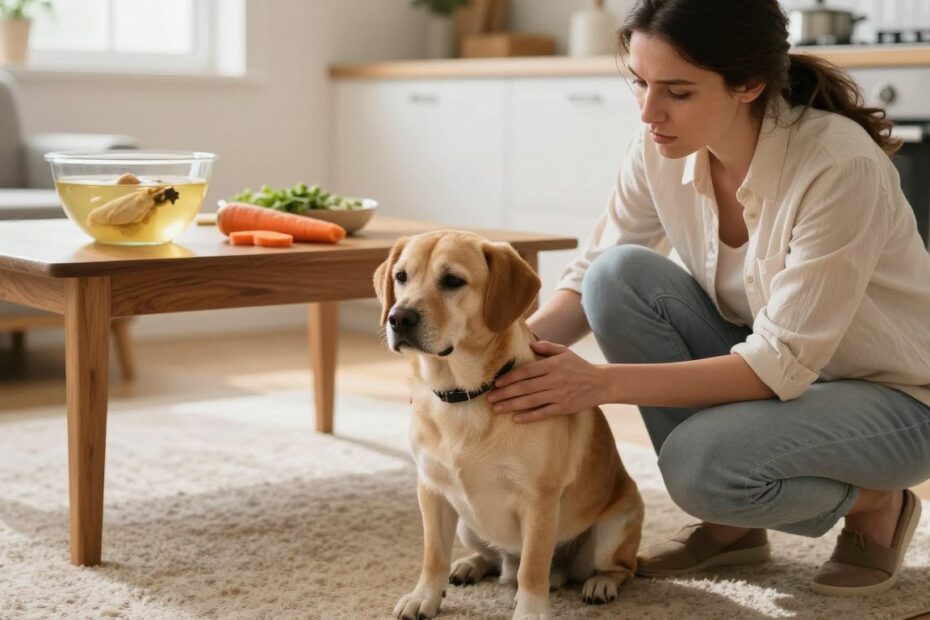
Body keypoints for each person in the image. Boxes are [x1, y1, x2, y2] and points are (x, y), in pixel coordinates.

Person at [486, 0, 930, 597]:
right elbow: (590, 275)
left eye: (677, 91)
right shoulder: (659, 145)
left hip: (898, 401)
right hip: (777, 374)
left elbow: (777, 363)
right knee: (615, 276)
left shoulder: (838, 167)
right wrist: (493, 361)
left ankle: (877, 503)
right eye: (639, 83)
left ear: (747, 84)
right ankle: (733, 527)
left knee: (699, 468)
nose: (649, 111)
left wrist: (597, 383)